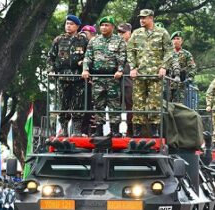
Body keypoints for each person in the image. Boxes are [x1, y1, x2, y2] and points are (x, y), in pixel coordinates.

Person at [127, 9, 174, 137]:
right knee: (137, 102)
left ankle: (155, 130)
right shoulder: (136, 33)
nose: (142, 20)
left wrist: (164, 67)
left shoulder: (162, 33)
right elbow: (130, 50)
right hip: (140, 74)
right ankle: (137, 130)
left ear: (151, 18)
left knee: (154, 103)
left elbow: (170, 51)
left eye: (144, 17)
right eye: (141, 18)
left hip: (155, 74)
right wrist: (133, 67)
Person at [82, 16, 126, 137]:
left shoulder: (119, 40)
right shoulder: (94, 41)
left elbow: (122, 57)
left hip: (113, 78)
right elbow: (88, 56)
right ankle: (99, 130)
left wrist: (120, 70)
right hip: (97, 77)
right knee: (98, 104)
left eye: (107, 25)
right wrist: (85, 69)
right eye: (102, 25)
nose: (104, 27)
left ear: (112, 27)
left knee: (114, 104)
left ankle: (115, 131)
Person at [48, 15, 90, 135]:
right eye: (67, 23)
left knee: (78, 104)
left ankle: (76, 130)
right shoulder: (59, 40)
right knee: (62, 104)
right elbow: (51, 57)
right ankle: (64, 129)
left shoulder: (83, 40)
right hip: (62, 77)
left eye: (71, 24)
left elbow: (89, 56)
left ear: (77, 26)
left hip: (78, 77)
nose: (68, 26)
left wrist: (85, 65)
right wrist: (51, 70)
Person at [167, 32, 196, 104]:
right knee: (165, 105)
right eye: (174, 39)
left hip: (180, 84)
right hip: (167, 82)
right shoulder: (167, 53)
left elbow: (192, 67)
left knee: (179, 105)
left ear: (181, 41)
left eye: (178, 39)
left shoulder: (186, 54)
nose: (176, 41)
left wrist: (190, 78)